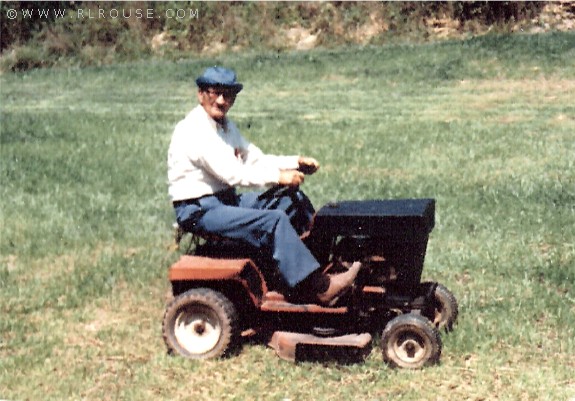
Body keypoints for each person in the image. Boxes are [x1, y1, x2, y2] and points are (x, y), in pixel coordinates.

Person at [167, 66, 360, 305]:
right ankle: (319, 288)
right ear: (201, 94)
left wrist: (295, 162)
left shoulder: (225, 127)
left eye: (228, 95)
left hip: (225, 201)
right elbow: (232, 175)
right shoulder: (194, 130)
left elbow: (254, 158)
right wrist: (278, 176)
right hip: (198, 210)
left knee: (290, 200)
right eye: (215, 93)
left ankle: (319, 264)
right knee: (273, 220)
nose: (221, 100)